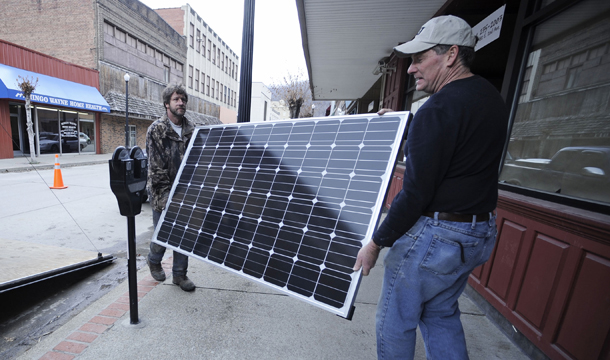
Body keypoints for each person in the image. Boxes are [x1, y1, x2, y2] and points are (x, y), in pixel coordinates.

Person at [353, 15, 508, 359]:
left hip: (437, 237)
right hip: (478, 232)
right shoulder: (489, 98)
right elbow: (459, 145)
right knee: (440, 313)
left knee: (395, 321)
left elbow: (416, 193)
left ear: (451, 54)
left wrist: (377, 243)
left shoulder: (436, 109)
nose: (410, 69)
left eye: (420, 58)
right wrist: (403, 126)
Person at [146, 84, 196, 292]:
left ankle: (179, 275)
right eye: (176, 99)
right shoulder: (157, 130)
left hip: (186, 193)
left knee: (183, 235)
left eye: (183, 99)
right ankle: (154, 259)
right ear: (167, 104)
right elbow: (156, 169)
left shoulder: (192, 130)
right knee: (164, 233)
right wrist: (169, 198)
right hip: (162, 193)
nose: (180, 102)